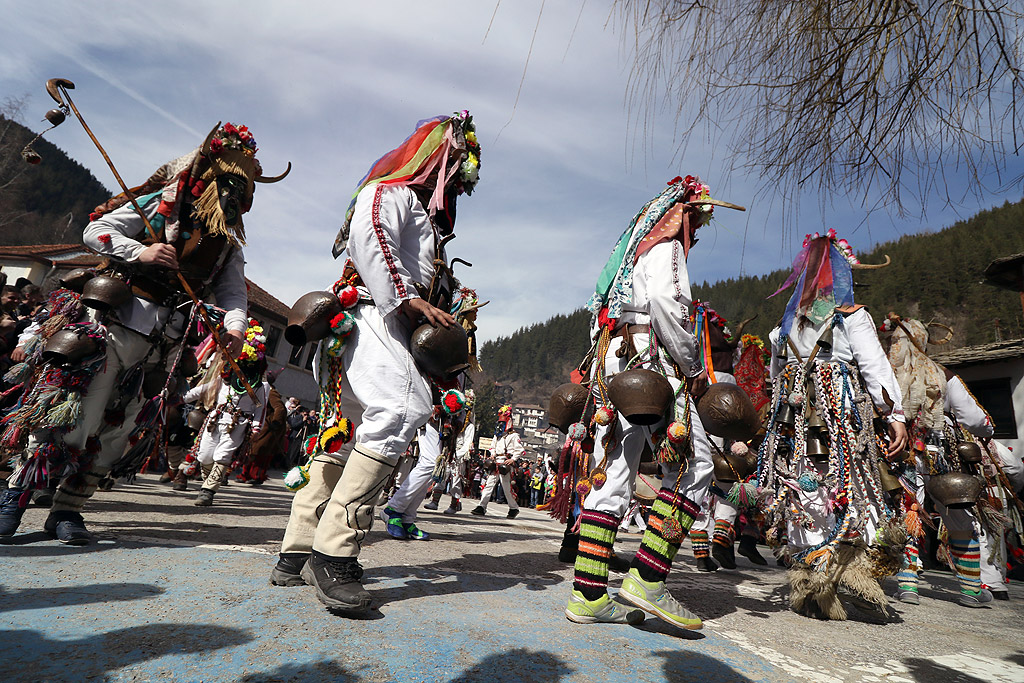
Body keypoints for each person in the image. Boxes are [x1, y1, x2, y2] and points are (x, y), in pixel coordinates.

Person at [0, 122, 286, 542]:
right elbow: (95, 231)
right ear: (207, 177)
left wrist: (235, 327)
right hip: (109, 326)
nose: (235, 198)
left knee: (120, 428)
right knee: (74, 416)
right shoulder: (160, 207)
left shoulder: (228, 243)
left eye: (242, 192)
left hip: (161, 345)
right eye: (229, 185)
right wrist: (142, 251)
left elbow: (232, 292)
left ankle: (67, 510)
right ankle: (15, 498)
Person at [271, 112, 482, 614]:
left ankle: (296, 548)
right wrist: (406, 301)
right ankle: (334, 551)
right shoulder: (392, 192)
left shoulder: (421, 215)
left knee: (352, 431)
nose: (453, 182)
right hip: (371, 314)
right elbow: (372, 237)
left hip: (377, 320)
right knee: (401, 409)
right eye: (453, 169)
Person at [562, 175, 742, 629]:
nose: (695, 231)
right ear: (683, 214)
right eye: (696, 220)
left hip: (615, 361)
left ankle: (588, 596)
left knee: (613, 472)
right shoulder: (667, 247)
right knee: (694, 466)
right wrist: (694, 368)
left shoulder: (628, 260)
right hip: (653, 362)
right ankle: (648, 579)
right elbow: (667, 301)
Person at [759, 232, 908, 620]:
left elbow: (776, 376)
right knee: (849, 485)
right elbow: (874, 365)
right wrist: (894, 415)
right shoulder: (852, 317)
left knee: (803, 488)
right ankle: (843, 577)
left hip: (793, 416)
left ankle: (811, 577)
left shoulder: (781, 329)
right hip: (837, 410)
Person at [181, 320, 271, 506]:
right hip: (215, 418)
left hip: (238, 424)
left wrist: (255, 428)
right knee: (204, 455)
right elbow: (201, 391)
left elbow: (260, 409)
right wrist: (178, 397)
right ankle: (208, 483)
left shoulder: (260, 387)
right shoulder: (223, 379)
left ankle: (208, 491)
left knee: (222, 455)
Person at [471, 405, 524, 518]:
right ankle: (481, 506)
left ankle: (513, 508)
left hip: (505, 463)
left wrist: (513, 459)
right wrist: (492, 455)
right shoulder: (497, 435)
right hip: (495, 463)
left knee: (506, 487)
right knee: (488, 485)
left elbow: (519, 450)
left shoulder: (514, 436)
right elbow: (492, 447)